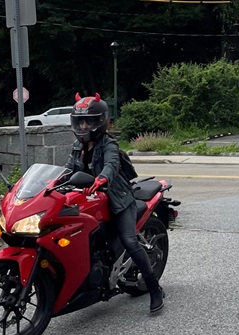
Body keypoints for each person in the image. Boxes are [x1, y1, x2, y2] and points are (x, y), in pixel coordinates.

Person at [64, 92, 165, 313]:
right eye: (80, 121)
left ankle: (154, 287)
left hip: (119, 200)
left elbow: (111, 164)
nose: (83, 125)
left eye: (88, 121)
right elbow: (68, 171)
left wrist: (102, 178)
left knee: (129, 241)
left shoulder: (108, 143)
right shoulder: (77, 146)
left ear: (99, 121)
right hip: (91, 200)